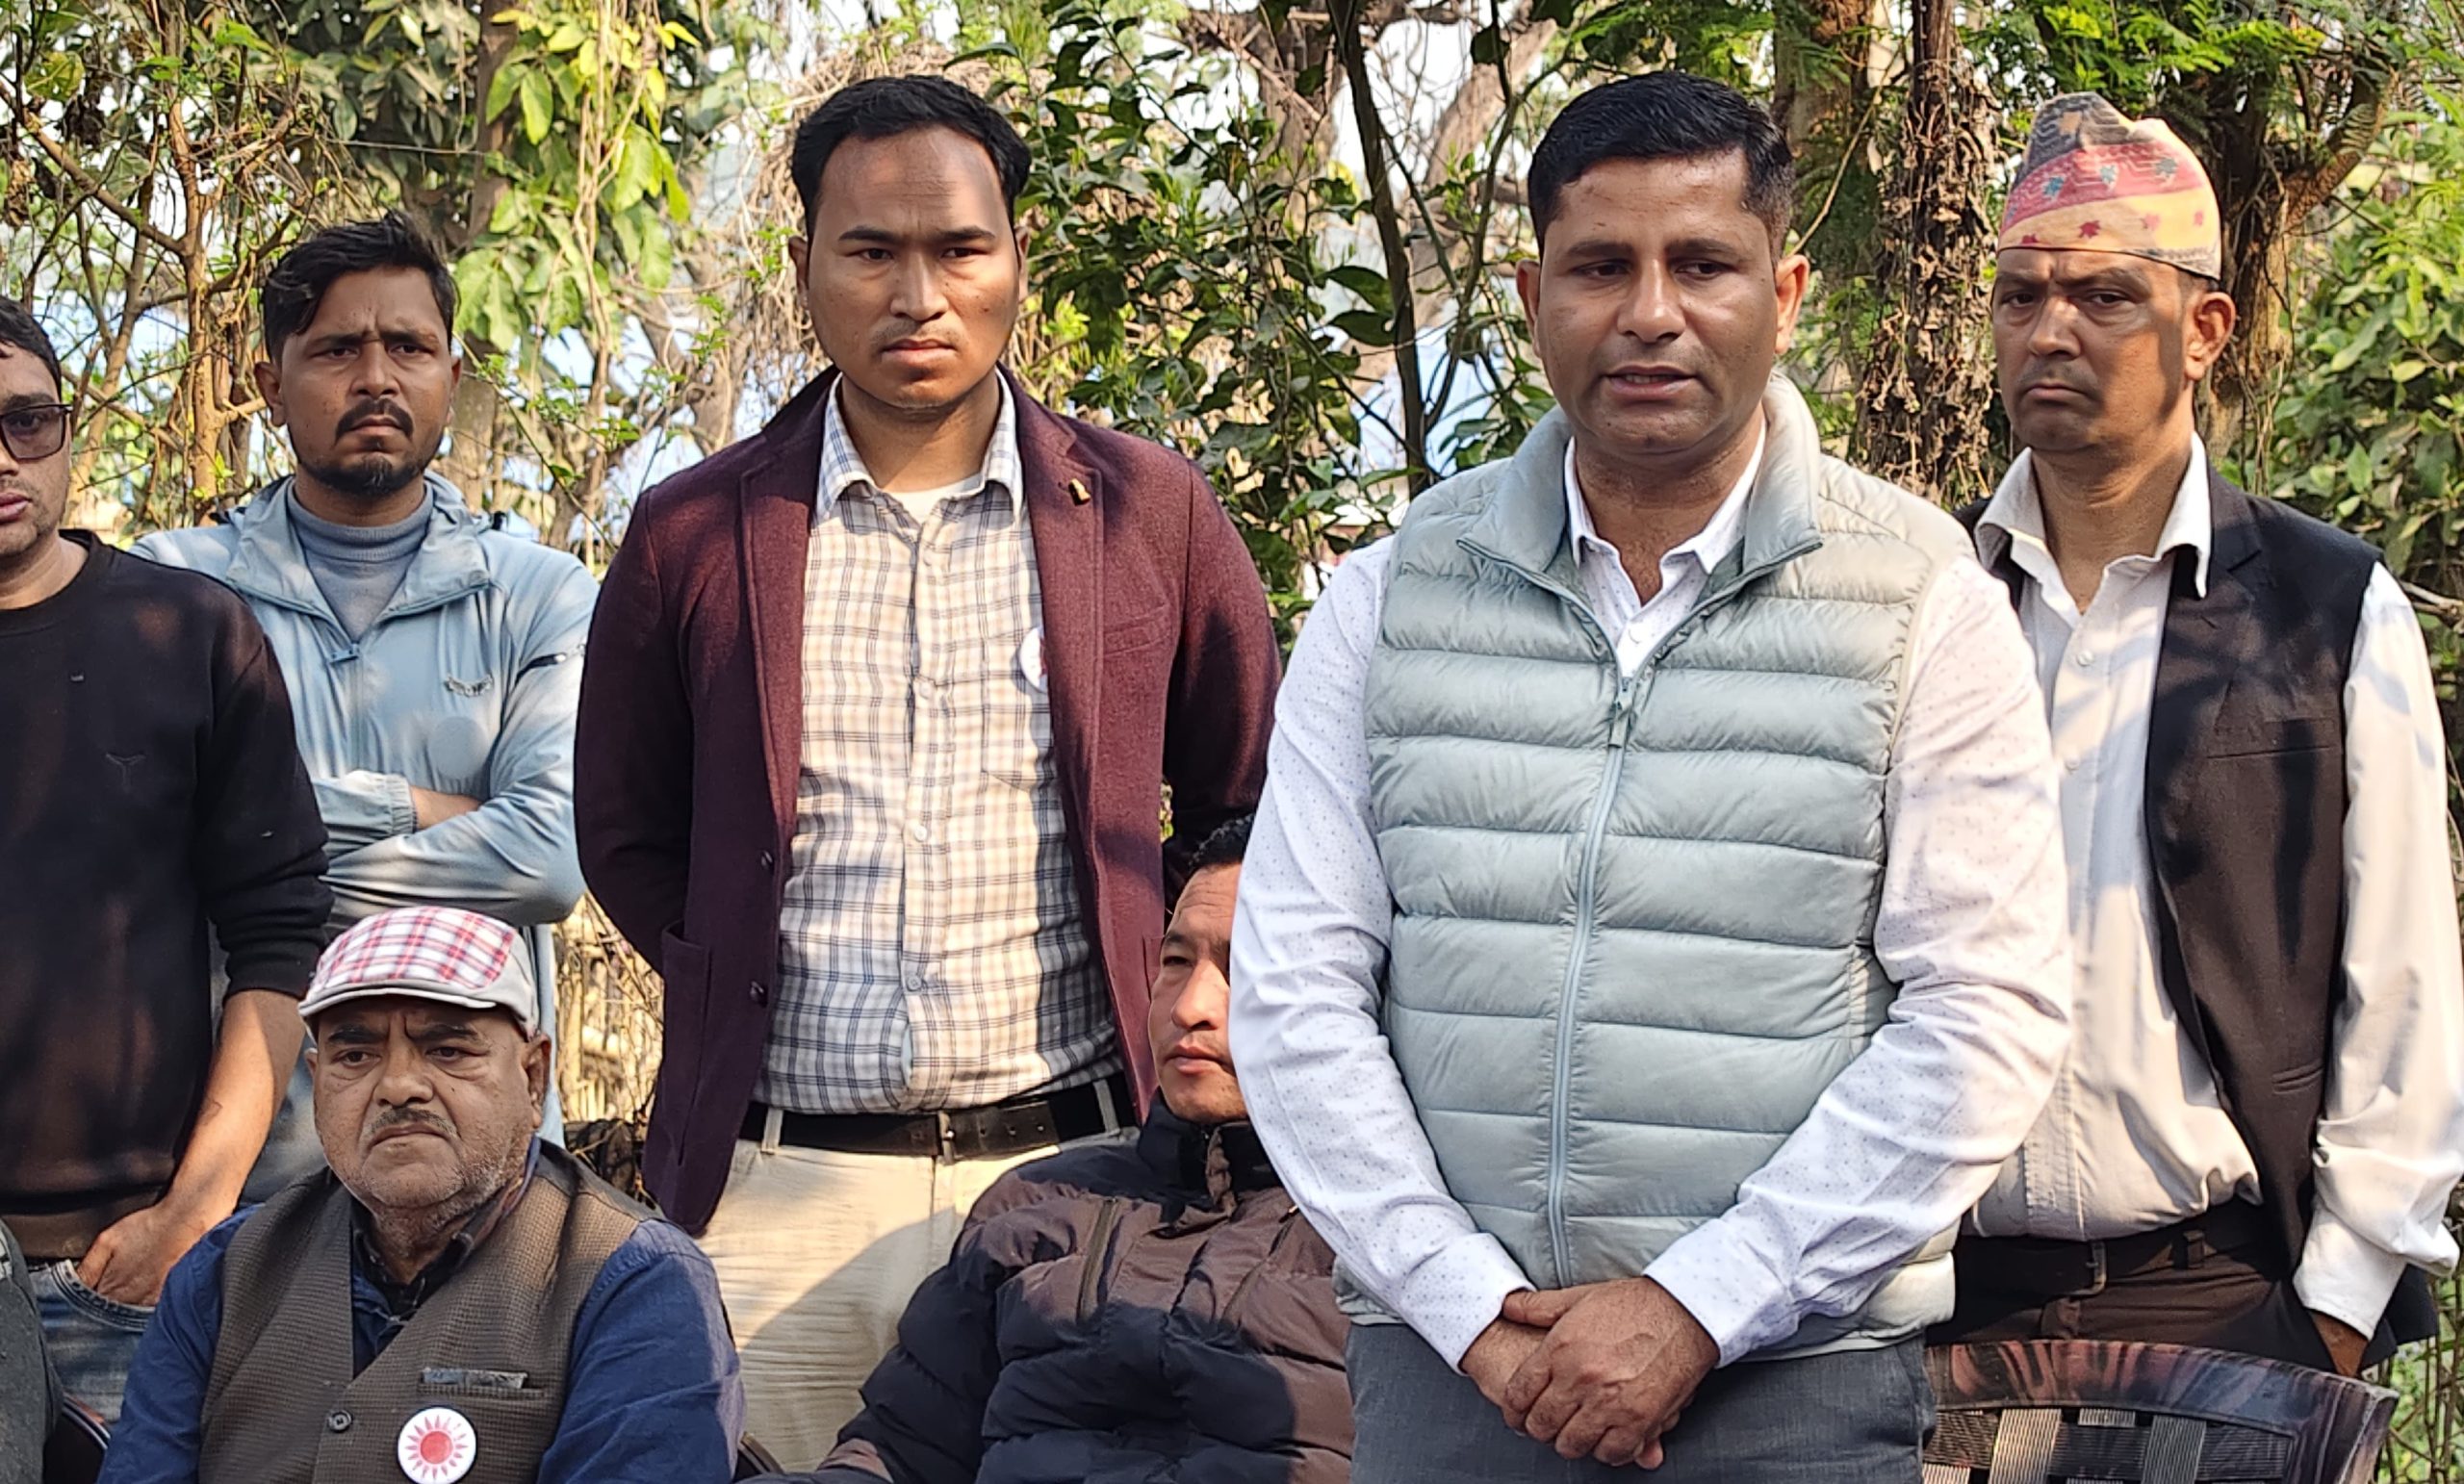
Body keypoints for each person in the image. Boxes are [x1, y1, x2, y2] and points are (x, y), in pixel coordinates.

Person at [1230, 72, 2076, 1481]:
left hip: (1792, 1382)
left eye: (1702, 264)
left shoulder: (1919, 598)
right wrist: (1462, 1302)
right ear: (1531, 296)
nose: (1650, 313)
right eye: (1599, 267)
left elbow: (1986, 1008)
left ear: (1784, 292)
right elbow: (1297, 986)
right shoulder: (1392, 598)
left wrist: (1704, 1300)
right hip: (1458, 1379)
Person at [574, 75, 1281, 1465]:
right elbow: (626, 829)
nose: (919, 295)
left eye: (960, 248)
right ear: (804, 266)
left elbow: (1247, 804)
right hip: (780, 1188)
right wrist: (727, 965)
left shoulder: (1149, 514)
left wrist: (1168, 972)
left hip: (1084, 1183)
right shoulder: (694, 532)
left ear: (1017, 258)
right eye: (871, 251)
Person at [1932, 92, 2464, 1374]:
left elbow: (2401, 984)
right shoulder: (1924, 601)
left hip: (2227, 1307)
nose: (2050, 331)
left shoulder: (2325, 609)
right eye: (2020, 296)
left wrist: (2333, 1313)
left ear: (2204, 330)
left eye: (2105, 297)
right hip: (1938, 1315)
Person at [138, 215, 600, 1190]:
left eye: (409, 347)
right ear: (270, 385)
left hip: (484, 1173)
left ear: (452, 374)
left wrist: (256, 858)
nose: (377, 378)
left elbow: (549, 860)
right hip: (234, 1171)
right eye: (338, 349)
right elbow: (147, 852)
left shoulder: (536, 593)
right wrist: (434, 811)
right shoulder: (174, 590)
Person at [752, 817, 1350, 1484]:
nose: (1190, 1007)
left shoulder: (1391, 1243)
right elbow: (899, 1452)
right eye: (1176, 962)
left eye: (1246, 969)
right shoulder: (1034, 1205)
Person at [0, 300, 332, 1426]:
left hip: (117, 1277)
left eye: (26, 420)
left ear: (68, 430)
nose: (4, 456)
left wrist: (193, 1212)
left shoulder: (188, 632)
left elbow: (279, 933)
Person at [99, 907, 743, 1484]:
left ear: (533, 1075)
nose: (399, 1085)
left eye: (448, 1049)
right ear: (317, 1082)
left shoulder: (634, 1282)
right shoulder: (223, 1272)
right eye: (356, 1056)